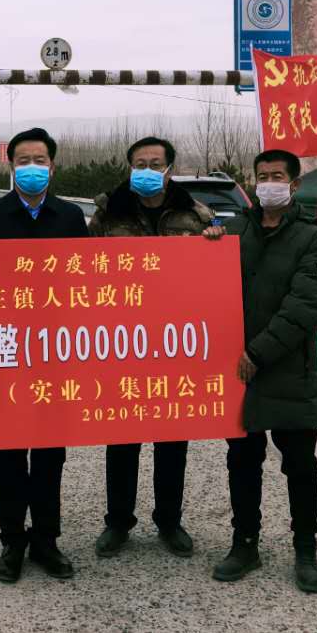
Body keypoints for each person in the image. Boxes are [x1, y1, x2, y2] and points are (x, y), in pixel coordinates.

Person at [88, 136, 222, 561]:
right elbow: (84, 270)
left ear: (169, 169)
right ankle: (118, 521)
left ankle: (169, 520)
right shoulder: (109, 213)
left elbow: (214, 279)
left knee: (172, 440)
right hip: (122, 343)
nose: (146, 170)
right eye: (139, 163)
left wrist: (215, 243)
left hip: (174, 345)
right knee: (121, 438)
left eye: (154, 163)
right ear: (130, 168)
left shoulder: (195, 215)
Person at [0, 127, 88, 584]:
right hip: (7, 350)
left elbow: (91, 283)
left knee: (51, 452)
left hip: (56, 352)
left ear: (52, 166)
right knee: (10, 452)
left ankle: (47, 539)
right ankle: (12, 540)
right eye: (23, 160)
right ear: (11, 165)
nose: (32, 167)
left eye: (40, 159)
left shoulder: (70, 217)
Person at [212, 149, 317, 593]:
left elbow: (304, 305)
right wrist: (206, 243)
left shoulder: (312, 238)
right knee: (243, 462)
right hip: (239, 371)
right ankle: (245, 544)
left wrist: (258, 352)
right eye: (262, 176)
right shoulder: (235, 231)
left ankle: (306, 550)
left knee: (299, 465)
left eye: (277, 176)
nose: (268, 183)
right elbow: (204, 283)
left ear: (294, 184)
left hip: (287, 370)